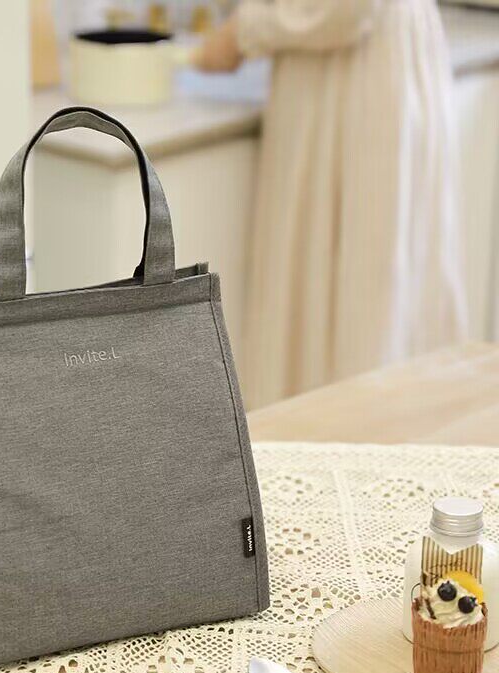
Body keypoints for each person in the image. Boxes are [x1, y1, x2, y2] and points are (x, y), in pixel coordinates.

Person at [195, 0, 467, 408]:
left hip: (354, 76)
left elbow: (348, 10)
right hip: (375, 63)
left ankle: (336, 432)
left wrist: (247, 30)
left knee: (357, 288)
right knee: (378, 289)